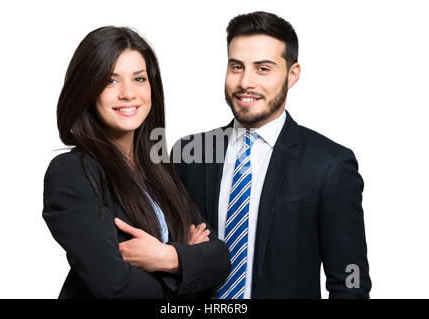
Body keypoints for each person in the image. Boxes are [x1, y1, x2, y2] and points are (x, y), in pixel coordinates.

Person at [171, 11, 372, 298]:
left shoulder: (329, 164)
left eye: (263, 69)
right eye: (236, 67)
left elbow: (351, 280)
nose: (245, 82)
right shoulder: (190, 154)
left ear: (292, 75)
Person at [43, 26, 230, 299]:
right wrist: (186, 262)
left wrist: (166, 256)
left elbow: (219, 259)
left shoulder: (158, 169)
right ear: (88, 89)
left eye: (139, 79)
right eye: (111, 81)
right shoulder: (73, 173)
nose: (129, 94)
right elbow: (114, 286)